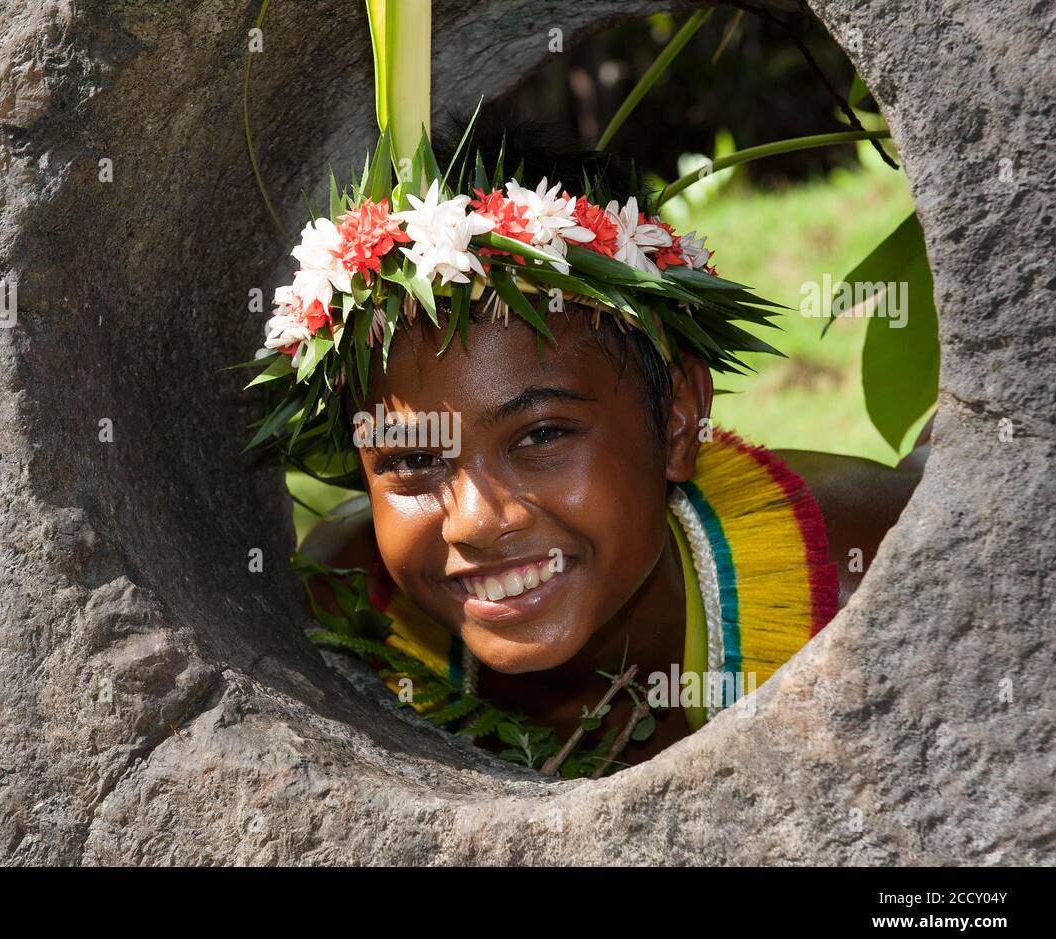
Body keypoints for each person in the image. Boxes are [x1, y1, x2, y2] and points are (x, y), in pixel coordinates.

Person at [251, 118, 923, 771]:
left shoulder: (871, 593)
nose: (479, 522)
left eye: (542, 435)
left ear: (679, 420)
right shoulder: (352, 619)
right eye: (414, 461)